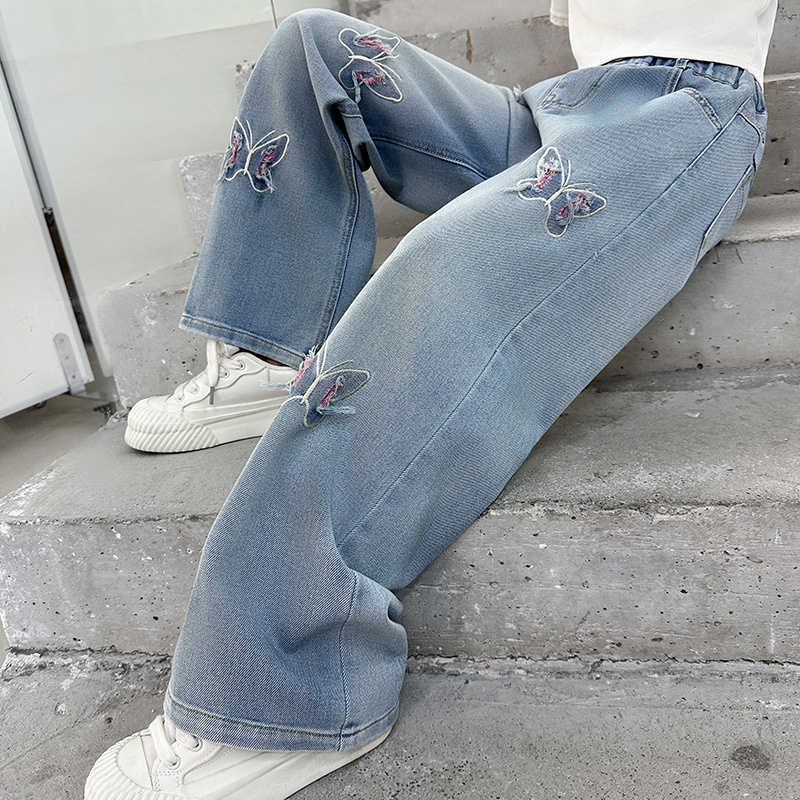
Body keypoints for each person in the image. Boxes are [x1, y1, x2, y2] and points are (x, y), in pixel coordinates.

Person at [85, 1, 777, 798]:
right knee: (312, 43)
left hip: (688, 111)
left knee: (445, 262)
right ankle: (275, 354)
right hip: (559, 106)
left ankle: (282, 687)